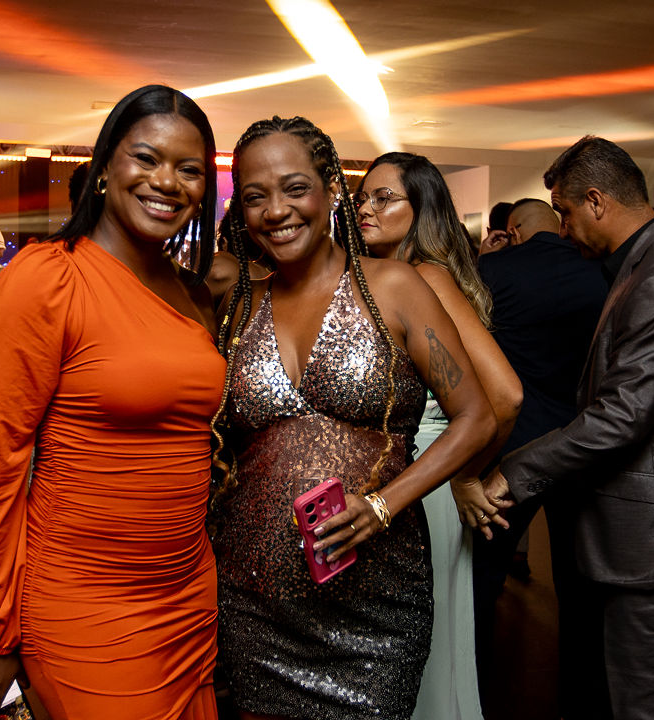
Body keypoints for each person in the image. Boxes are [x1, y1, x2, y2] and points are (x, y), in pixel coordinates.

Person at [0, 84, 224, 720]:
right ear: (103, 167)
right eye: (146, 158)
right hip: (84, 599)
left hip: (186, 593)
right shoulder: (47, 279)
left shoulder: (193, 293)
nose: (167, 182)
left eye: (189, 169)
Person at [210, 116, 500, 720]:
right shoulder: (238, 305)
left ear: (332, 189)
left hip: (376, 600)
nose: (276, 211)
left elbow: (475, 418)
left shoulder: (394, 286)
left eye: (295, 188)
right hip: (252, 597)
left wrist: (382, 506)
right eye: (256, 196)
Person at [484, 136, 654, 719]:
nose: (563, 230)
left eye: (565, 212)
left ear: (596, 201)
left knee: (648, 699)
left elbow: (623, 415)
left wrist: (513, 470)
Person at [356, 151, 522, 720]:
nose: (366, 208)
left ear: (421, 208)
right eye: (362, 198)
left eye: (384, 198)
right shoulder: (387, 277)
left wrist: (467, 475)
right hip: (407, 478)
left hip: (427, 479)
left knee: (421, 650)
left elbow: (505, 395)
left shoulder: (426, 276)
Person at [474, 197, 609, 718]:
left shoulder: (496, 270)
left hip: (515, 442)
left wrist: (485, 260)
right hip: (581, 442)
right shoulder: (600, 272)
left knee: (485, 574)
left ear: (512, 230)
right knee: (581, 585)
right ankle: (580, 701)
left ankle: (479, 692)